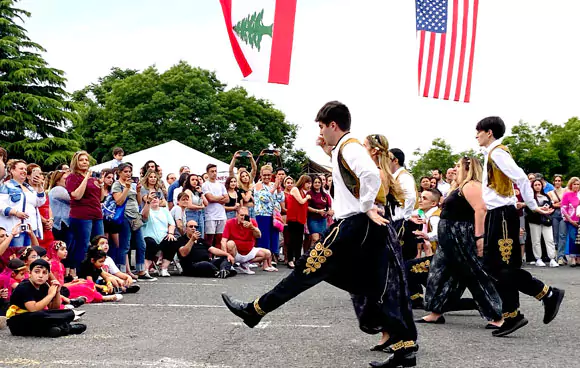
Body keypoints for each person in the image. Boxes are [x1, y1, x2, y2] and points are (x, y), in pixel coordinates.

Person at [222, 101, 418, 368]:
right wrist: (328, 151)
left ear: (333, 125)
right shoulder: (343, 148)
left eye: (322, 126)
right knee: (372, 284)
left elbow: (370, 175)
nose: (321, 131)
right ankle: (405, 345)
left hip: (353, 225)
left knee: (308, 269)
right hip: (358, 226)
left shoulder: (350, 147)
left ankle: (255, 310)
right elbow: (351, 176)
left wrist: (366, 207)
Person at [476, 116, 564, 337]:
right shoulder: (492, 154)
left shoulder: (498, 153)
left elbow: (523, 179)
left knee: (503, 267)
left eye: (478, 131)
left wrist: (533, 206)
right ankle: (513, 314)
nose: (476, 135)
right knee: (496, 267)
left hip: (503, 215)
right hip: (498, 214)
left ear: (489, 132)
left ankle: (547, 294)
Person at [417, 157, 503, 329]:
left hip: (461, 236)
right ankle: (436, 311)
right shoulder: (457, 186)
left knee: (473, 274)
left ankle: (496, 315)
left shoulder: (471, 185)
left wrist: (480, 237)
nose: (454, 169)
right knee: (440, 272)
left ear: (468, 168)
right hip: (448, 237)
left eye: (458, 166)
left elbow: (481, 209)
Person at [5, 258, 86, 337]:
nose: (40, 276)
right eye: (37, 272)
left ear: (48, 276)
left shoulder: (44, 285)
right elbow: (33, 309)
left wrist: (57, 292)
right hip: (18, 322)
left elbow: (54, 307)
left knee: (67, 312)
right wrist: (50, 295)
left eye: (44, 273)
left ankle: (56, 330)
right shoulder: (24, 286)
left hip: (36, 321)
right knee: (43, 314)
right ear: (30, 274)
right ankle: (67, 328)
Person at [66, 151, 105, 273]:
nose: (84, 162)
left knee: (100, 244)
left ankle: (97, 272)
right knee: (84, 245)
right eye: (81, 160)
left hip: (96, 214)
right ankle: (81, 272)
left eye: (86, 160)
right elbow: (76, 195)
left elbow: (101, 198)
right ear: (76, 162)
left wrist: (101, 184)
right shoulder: (72, 177)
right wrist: (86, 178)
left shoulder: (93, 178)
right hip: (81, 215)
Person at [0, 160, 46, 247]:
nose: (24, 171)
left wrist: (40, 186)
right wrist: (15, 213)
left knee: (28, 254)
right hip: (15, 229)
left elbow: (40, 202)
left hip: (30, 229)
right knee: (16, 254)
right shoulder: (6, 186)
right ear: (12, 171)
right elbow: (1, 204)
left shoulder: (29, 188)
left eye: (25, 169)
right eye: (21, 168)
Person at [222, 206, 277, 273]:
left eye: (246, 215)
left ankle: (245, 264)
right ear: (237, 215)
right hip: (236, 252)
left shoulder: (252, 222)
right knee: (230, 243)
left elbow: (259, 236)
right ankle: (231, 264)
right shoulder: (230, 222)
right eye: (242, 215)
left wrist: (252, 227)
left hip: (249, 251)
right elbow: (223, 240)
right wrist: (226, 255)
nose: (243, 217)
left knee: (267, 253)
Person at [389, 149, 420, 261]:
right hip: (399, 220)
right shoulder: (395, 176)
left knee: (404, 256)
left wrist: (406, 216)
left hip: (402, 221)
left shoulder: (403, 176)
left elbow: (410, 197)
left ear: (395, 160)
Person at [526, 179, 558, 267]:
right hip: (534, 220)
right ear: (532, 186)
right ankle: (538, 258)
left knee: (549, 239)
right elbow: (529, 209)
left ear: (542, 186)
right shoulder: (530, 197)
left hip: (546, 220)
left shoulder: (546, 196)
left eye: (539, 184)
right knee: (536, 240)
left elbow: (551, 207)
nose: (537, 186)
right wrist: (540, 209)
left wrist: (547, 209)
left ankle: (552, 258)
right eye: (535, 185)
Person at [285, 175, 312, 269]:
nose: (309, 185)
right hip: (293, 219)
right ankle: (290, 260)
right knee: (292, 240)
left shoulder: (303, 192)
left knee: (299, 240)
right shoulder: (295, 189)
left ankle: (297, 259)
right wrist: (307, 198)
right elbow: (301, 201)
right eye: (308, 183)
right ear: (303, 182)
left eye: (310, 183)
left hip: (300, 219)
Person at [202, 164, 228, 249]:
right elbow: (210, 198)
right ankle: (208, 256)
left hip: (221, 214)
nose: (214, 173)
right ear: (208, 172)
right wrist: (221, 197)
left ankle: (218, 256)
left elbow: (227, 199)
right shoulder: (205, 185)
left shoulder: (221, 185)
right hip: (210, 215)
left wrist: (215, 198)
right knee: (209, 238)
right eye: (212, 171)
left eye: (215, 171)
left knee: (220, 237)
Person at [547, 175, 568, 265]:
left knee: (562, 235)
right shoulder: (550, 193)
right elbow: (551, 205)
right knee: (555, 236)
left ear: (562, 182)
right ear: (553, 182)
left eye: (559, 180)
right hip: (554, 214)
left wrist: (557, 203)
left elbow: (566, 203)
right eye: (556, 180)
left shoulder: (566, 191)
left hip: (564, 214)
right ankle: (556, 255)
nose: (557, 182)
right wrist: (559, 204)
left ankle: (560, 256)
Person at [561, 177, 580, 266]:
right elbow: (563, 209)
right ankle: (572, 258)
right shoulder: (567, 195)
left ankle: (578, 258)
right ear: (571, 185)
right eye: (574, 184)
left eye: (578, 184)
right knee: (573, 238)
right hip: (571, 220)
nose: (576, 186)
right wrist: (571, 220)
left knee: (579, 239)